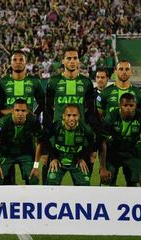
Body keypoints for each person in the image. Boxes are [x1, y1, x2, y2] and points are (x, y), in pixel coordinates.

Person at [45, 47, 95, 184]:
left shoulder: (86, 83)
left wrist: (85, 127)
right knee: (49, 184)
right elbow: (47, 108)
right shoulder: (53, 81)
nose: (72, 61)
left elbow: (91, 110)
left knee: (84, 185)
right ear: (63, 61)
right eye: (69, 58)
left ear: (79, 61)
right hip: (57, 138)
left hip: (80, 140)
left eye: (75, 58)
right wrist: (51, 127)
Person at [99, 93, 141, 187]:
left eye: (131, 105)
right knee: (106, 182)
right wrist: (103, 168)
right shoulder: (111, 117)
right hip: (113, 151)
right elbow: (102, 142)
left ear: (135, 105)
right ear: (120, 106)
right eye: (125, 105)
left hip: (133, 151)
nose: (128, 108)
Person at [0, 98, 43, 185]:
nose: (20, 113)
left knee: (33, 179)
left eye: (23, 110)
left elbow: (40, 142)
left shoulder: (33, 121)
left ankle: (30, 198)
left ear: (27, 112)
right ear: (12, 111)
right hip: (6, 153)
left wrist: (36, 166)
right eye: (17, 110)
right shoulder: (3, 122)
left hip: (26, 153)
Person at [46, 104, 94, 186]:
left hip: (76, 161)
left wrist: (82, 158)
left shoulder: (85, 129)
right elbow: (46, 140)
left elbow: (91, 143)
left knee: (84, 184)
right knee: (51, 183)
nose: (72, 118)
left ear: (79, 116)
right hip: (59, 160)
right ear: (63, 116)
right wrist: (53, 158)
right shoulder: (56, 126)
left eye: (74, 115)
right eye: (69, 115)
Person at [0, 50, 45, 115]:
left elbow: (43, 103)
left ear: (25, 62)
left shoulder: (34, 81)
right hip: (9, 123)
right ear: (10, 63)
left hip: (28, 124)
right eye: (14, 60)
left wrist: (34, 114)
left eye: (21, 60)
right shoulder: (3, 82)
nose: (18, 62)